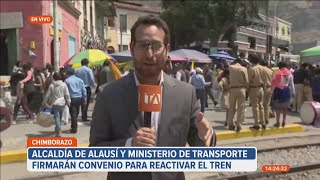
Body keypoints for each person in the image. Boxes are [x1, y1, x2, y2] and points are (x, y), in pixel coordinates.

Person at [89, 15, 216, 180]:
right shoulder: (108, 94)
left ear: (166, 49)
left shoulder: (186, 94)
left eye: (156, 46)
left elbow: (201, 146)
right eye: (143, 45)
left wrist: (206, 136)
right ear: (132, 47)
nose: (149, 54)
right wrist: (129, 146)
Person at [42, 72, 71, 137]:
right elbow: (67, 94)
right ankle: (58, 129)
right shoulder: (64, 84)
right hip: (62, 103)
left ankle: (58, 130)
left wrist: (44, 102)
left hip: (54, 103)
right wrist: (68, 101)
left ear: (54, 77)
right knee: (60, 116)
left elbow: (47, 95)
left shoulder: (52, 85)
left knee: (57, 116)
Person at [227, 58, 249, 132]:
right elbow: (247, 81)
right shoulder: (243, 69)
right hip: (241, 89)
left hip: (232, 89)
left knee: (231, 107)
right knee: (241, 108)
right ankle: (239, 124)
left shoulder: (230, 67)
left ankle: (230, 124)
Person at [271, 61, 295, 127]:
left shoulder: (277, 73)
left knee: (278, 108)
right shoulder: (289, 73)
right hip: (286, 90)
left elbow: (274, 83)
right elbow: (292, 84)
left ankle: (278, 122)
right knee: (285, 108)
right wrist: (293, 92)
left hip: (278, 90)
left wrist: (271, 92)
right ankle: (284, 121)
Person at [248, 55, 267, 130]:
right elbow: (265, 80)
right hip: (261, 88)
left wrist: (247, 89)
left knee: (255, 107)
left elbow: (248, 80)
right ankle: (263, 122)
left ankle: (256, 123)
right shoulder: (263, 69)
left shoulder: (252, 69)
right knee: (261, 106)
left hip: (254, 88)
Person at [65, 68, 87, 133]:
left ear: (68, 73)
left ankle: (74, 128)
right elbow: (84, 90)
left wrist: (65, 99)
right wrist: (84, 98)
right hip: (79, 98)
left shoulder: (67, 81)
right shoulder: (80, 80)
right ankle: (73, 125)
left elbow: (66, 91)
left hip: (71, 98)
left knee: (73, 113)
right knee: (76, 112)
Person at [260, 60, 274, 125]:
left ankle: (262, 119)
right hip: (270, 87)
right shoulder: (270, 71)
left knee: (261, 105)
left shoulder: (261, 70)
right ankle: (266, 118)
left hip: (263, 88)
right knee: (267, 105)